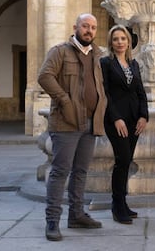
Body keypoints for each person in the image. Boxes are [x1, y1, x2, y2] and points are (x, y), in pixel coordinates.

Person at [38, 13, 107, 241]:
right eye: (85, 26)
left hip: (90, 122)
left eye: (93, 27)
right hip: (66, 122)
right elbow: (45, 76)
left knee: (81, 171)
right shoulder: (60, 51)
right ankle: (52, 221)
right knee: (60, 171)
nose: (89, 30)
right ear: (75, 27)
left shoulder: (97, 54)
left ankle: (76, 215)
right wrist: (64, 100)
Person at [100, 24, 149, 225]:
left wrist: (144, 116)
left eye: (123, 38)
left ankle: (123, 203)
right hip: (116, 120)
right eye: (116, 39)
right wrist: (116, 118)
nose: (120, 42)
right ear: (111, 43)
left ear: (129, 41)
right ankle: (116, 205)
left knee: (126, 161)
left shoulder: (134, 64)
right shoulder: (105, 63)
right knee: (123, 159)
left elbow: (140, 91)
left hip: (134, 119)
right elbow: (105, 93)